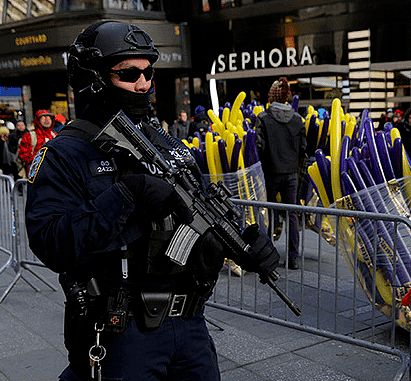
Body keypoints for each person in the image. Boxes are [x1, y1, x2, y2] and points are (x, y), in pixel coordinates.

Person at [24, 21, 279, 381]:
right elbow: (49, 241)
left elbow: (201, 207)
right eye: (129, 73)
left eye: (148, 71)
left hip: (190, 327)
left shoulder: (165, 142)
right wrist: (127, 196)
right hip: (122, 332)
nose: (143, 83)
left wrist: (244, 243)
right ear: (93, 77)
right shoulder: (66, 152)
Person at [256, 77, 307, 270]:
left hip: (270, 172)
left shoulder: (263, 118)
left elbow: (260, 146)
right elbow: (303, 147)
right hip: (291, 173)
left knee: (269, 213)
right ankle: (293, 257)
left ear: (272, 97)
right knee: (292, 213)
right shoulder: (297, 119)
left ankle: (270, 256)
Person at [16, 109, 57, 178]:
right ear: (38, 120)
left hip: (53, 174)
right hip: (35, 175)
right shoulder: (29, 136)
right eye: (43, 117)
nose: (47, 120)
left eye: (49, 118)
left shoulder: (55, 135)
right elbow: (24, 156)